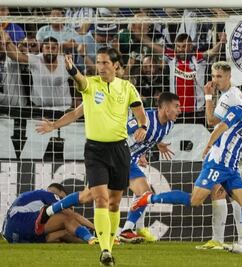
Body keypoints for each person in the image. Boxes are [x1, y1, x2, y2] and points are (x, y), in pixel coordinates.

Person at [131, 84, 242, 255]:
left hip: (232, 169)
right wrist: (209, 145)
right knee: (194, 201)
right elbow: (220, 127)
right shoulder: (239, 110)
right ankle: (149, 198)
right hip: (218, 164)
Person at [38, 47, 147, 266]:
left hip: (119, 149)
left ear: (116, 66)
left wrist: (143, 125)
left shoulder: (126, 87)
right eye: (98, 62)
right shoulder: (91, 85)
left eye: (105, 63)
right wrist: (72, 70)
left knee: (115, 203)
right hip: (95, 151)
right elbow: (80, 80)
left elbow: (139, 110)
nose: (101, 67)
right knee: (100, 198)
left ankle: (111, 238)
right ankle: (105, 251)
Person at [35, 92, 180, 243]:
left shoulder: (168, 126)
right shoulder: (144, 118)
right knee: (86, 197)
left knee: (144, 193)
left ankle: (127, 230)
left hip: (127, 161)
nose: (180, 110)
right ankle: (49, 210)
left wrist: (154, 144)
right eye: (176, 106)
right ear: (164, 107)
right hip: (110, 157)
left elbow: (147, 137)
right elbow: (121, 132)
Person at [198, 61, 242, 250]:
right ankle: (241, 238)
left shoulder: (229, 96)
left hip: (228, 152)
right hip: (231, 150)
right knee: (231, 193)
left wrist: (208, 96)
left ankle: (220, 239)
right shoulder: (232, 94)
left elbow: (211, 121)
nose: (215, 80)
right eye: (214, 76)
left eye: (219, 77)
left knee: (220, 191)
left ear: (228, 77)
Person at [1, 183, 96, 244]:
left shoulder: (33, 196)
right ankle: (91, 238)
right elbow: (73, 215)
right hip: (21, 223)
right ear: (61, 193)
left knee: (65, 232)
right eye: (63, 198)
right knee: (66, 218)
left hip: (11, 235)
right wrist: (96, 227)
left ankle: (94, 242)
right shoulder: (49, 195)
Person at [1, 31, 72, 107]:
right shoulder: (35, 60)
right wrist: (8, 41)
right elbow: (16, 55)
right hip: (39, 109)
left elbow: (77, 80)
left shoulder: (65, 61)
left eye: (53, 48)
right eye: (47, 48)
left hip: (64, 107)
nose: (50, 51)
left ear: (58, 50)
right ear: (42, 49)